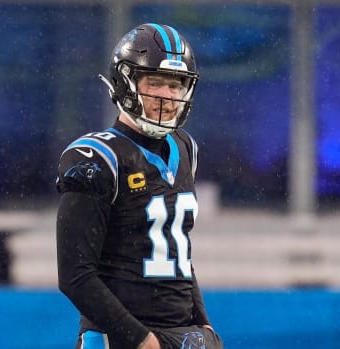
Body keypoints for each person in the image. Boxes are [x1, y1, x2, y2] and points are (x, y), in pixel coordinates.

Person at [55, 23, 223, 349]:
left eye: (176, 85)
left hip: (178, 335)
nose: (167, 95)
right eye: (155, 82)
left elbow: (179, 253)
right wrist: (140, 339)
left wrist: (202, 322)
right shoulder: (97, 157)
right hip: (116, 339)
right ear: (125, 82)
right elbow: (75, 277)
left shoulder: (185, 148)